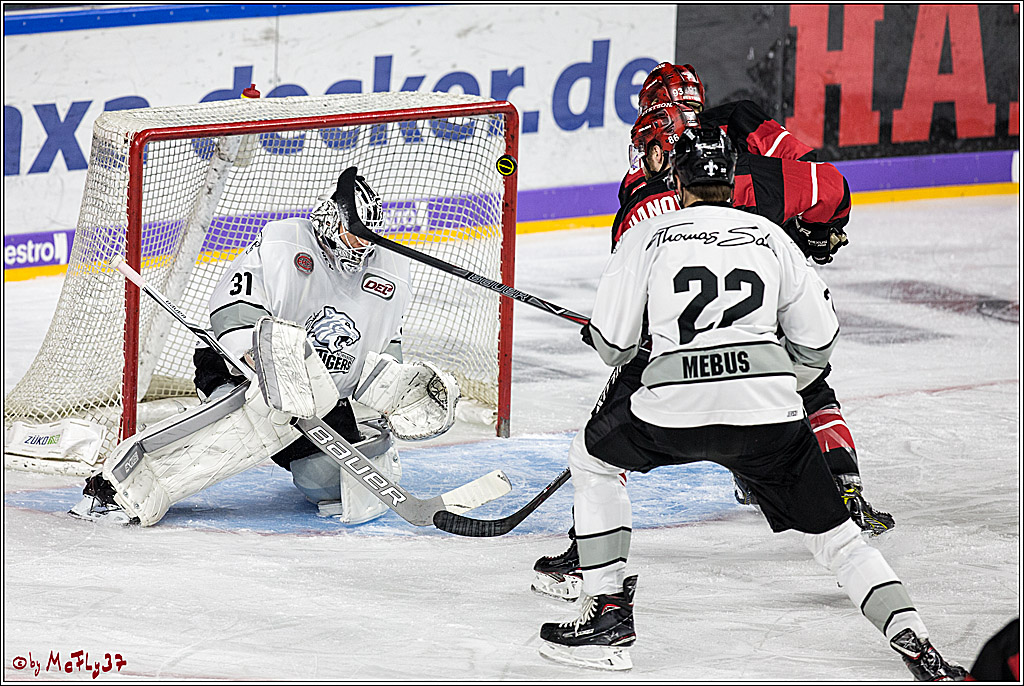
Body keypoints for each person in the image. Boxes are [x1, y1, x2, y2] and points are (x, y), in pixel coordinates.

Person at [535, 126, 966, 682]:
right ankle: (917, 643)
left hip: (672, 412)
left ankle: (607, 612)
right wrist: (774, 381)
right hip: (768, 419)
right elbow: (820, 340)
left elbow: (615, 348)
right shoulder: (771, 238)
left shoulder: (646, 235)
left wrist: (601, 335)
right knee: (839, 540)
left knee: (593, 461)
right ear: (733, 178)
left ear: (678, 181)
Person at [533, 63, 892, 602]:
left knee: (612, 429)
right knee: (805, 380)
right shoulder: (747, 154)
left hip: (682, 339)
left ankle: (590, 554)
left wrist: (616, 333)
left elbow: (630, 283)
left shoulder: (646, 191)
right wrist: (816, 230)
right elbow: (827, 184)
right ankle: (841, 489)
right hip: (760, 305)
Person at [69, 168, 459, 527]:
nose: (361, 246)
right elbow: (232, 310)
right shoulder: (283, 242)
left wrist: (397, 391)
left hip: (320, 399)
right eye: (353, 233)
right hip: (241, 370)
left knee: (330, 481)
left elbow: (384, 352)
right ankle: (119, 487)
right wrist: (264, 363)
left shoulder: (391, 272)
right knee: (248, 421)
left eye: (367, 237)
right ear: (329, 218)